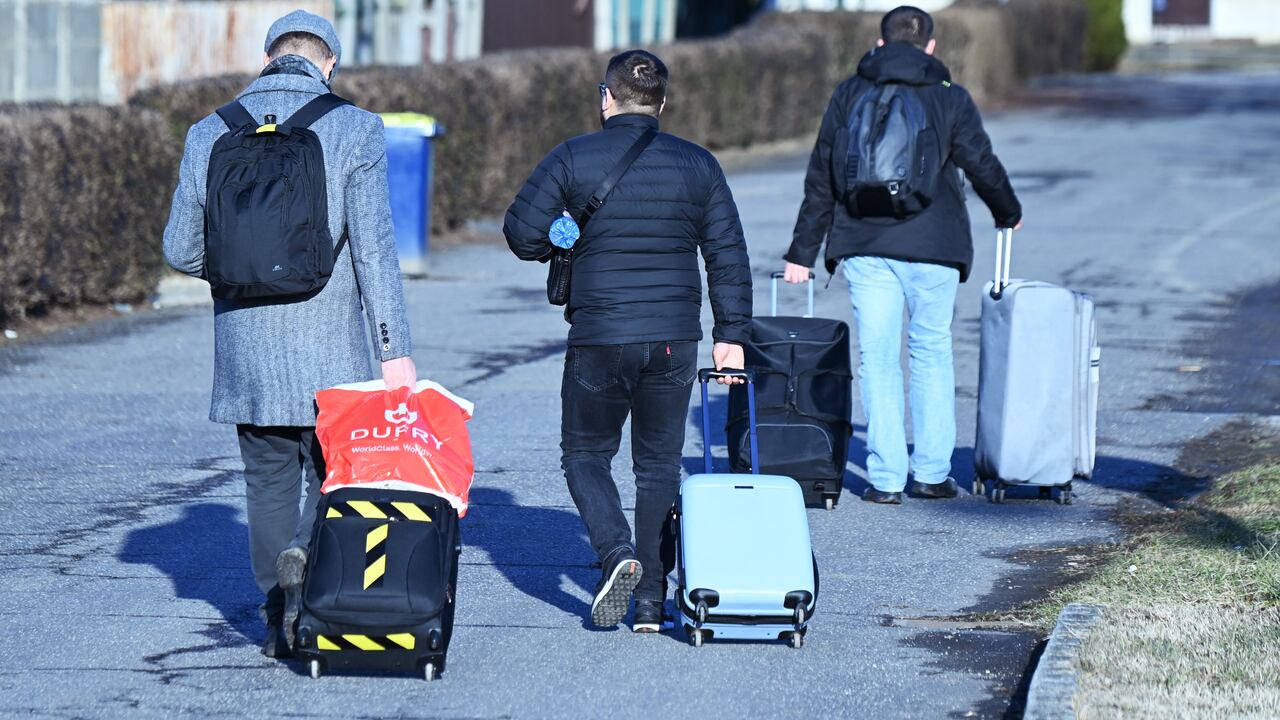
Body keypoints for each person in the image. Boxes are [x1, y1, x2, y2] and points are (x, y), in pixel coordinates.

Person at [162, 10, 417, 657]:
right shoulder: (354, 128)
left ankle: (278, 619)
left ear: (269, 57)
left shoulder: (208, 131)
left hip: (248, 352)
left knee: (267, 479)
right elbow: (374, 254)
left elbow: (180, 250)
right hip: (331, 349)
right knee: (334, 475)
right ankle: (308, 565)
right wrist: (395, 351)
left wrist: (241, 270)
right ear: (327, 63)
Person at [504, 50, 753, 633]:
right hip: (672, 337)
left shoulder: (573, 156)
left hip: (600, 334)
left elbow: (520, 232)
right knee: (659, 465)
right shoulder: (698, 165)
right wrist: (732, 334)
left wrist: (562, 235)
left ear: (605, 98)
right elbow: (726, 254)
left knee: (587, 455)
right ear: (662, 105)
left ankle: (618, 553)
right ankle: (648, 603)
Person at [781, 6, 1021, 505]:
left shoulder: (849, 92)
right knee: (930, 351)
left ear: (879, 41)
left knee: (878, 360)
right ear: (931, 46)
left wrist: (802, 252)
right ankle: (931, 473)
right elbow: (980, 160)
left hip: (866, 246)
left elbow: (822, 177)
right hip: (935, 245)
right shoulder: (948, 96)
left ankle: (886, 478)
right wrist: (1007, 210)